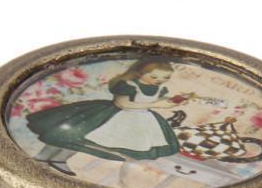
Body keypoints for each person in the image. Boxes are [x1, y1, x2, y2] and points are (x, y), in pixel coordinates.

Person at [26, 59, 186, 175]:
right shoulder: (129, 85)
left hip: (140, 121)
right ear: (140, 73)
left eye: (165, 78)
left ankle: (59, 159)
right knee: (72, 134)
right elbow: (122, 104)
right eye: (154, 77)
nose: (159, 81)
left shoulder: (160, 88)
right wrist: (157, 105)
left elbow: (156, 100)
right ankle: (41, 158)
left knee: (85, 141)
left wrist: (171, 101)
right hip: (111, 116)